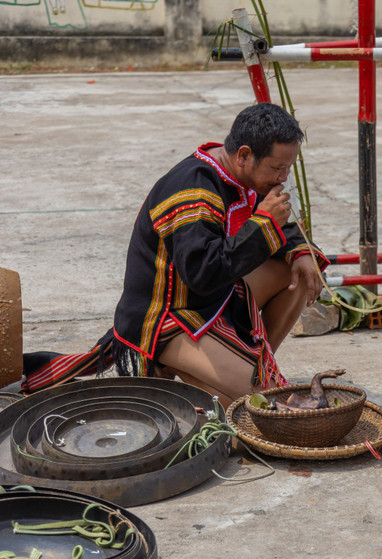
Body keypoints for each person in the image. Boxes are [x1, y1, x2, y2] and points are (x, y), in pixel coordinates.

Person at [23, 103, 328, 406]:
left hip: (214, 300)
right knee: (258, 402)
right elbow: (202, 275)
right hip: (171, 316)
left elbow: (281, 226)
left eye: (287, 168)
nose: (283, 178)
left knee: (300, 270)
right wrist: (263, 224)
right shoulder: (193, 190)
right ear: (244, 155)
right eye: (277, 168)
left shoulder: (244, 175)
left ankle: (249, 359)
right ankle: (181, 364)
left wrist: (299, 253)